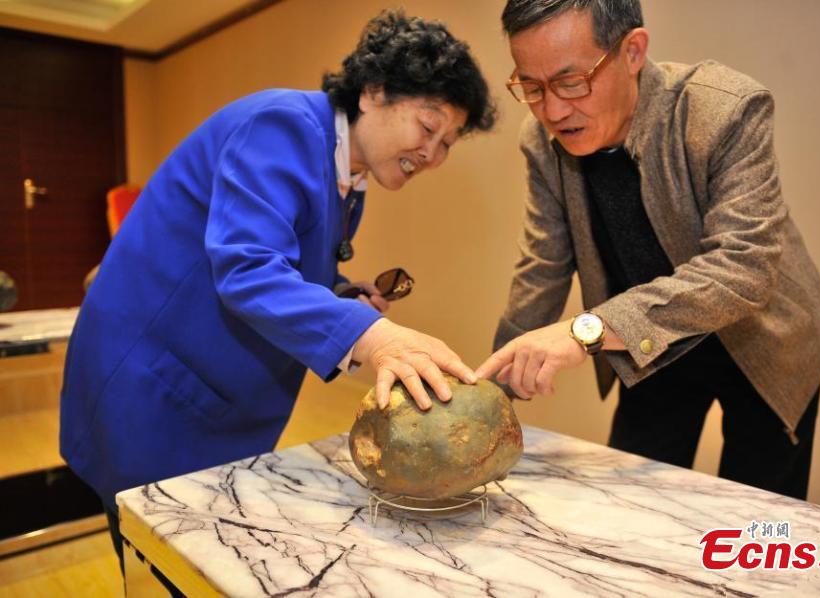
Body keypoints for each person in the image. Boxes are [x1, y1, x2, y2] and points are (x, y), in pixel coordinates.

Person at [60, 9, 495, 573]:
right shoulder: (282, 125)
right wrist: (375, 336)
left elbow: (282, 260)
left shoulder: (348, 176)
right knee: (163, 569)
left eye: (448, 144)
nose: (432, 155)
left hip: (209, 392)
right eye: (428, 127)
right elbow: (246, 267)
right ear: (374, 91)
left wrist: (341, 295)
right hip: (156, 390)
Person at [476, 0, 820, 500]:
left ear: (632, 51)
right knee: (629, 506)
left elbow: (744, 267)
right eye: (532, 87)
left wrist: (587, 331)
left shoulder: (723, 109)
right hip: (649, 343)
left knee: (757, 518)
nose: (554, 110)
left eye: (570, 81)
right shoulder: (542, 141)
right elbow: (543, 264)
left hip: (766, 342)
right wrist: (488, 389)